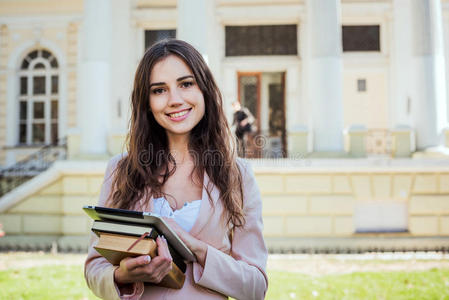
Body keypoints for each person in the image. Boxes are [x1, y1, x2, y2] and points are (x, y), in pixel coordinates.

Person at [84, 39, 268, 300]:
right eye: (159, 90)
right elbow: (95, 268)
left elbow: (255, 287)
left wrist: (197, 249)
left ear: (204, 90)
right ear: (146, 101)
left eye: (186, 84)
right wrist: (124, 275)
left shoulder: (237, 175)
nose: (175, 100)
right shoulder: (122, 170)